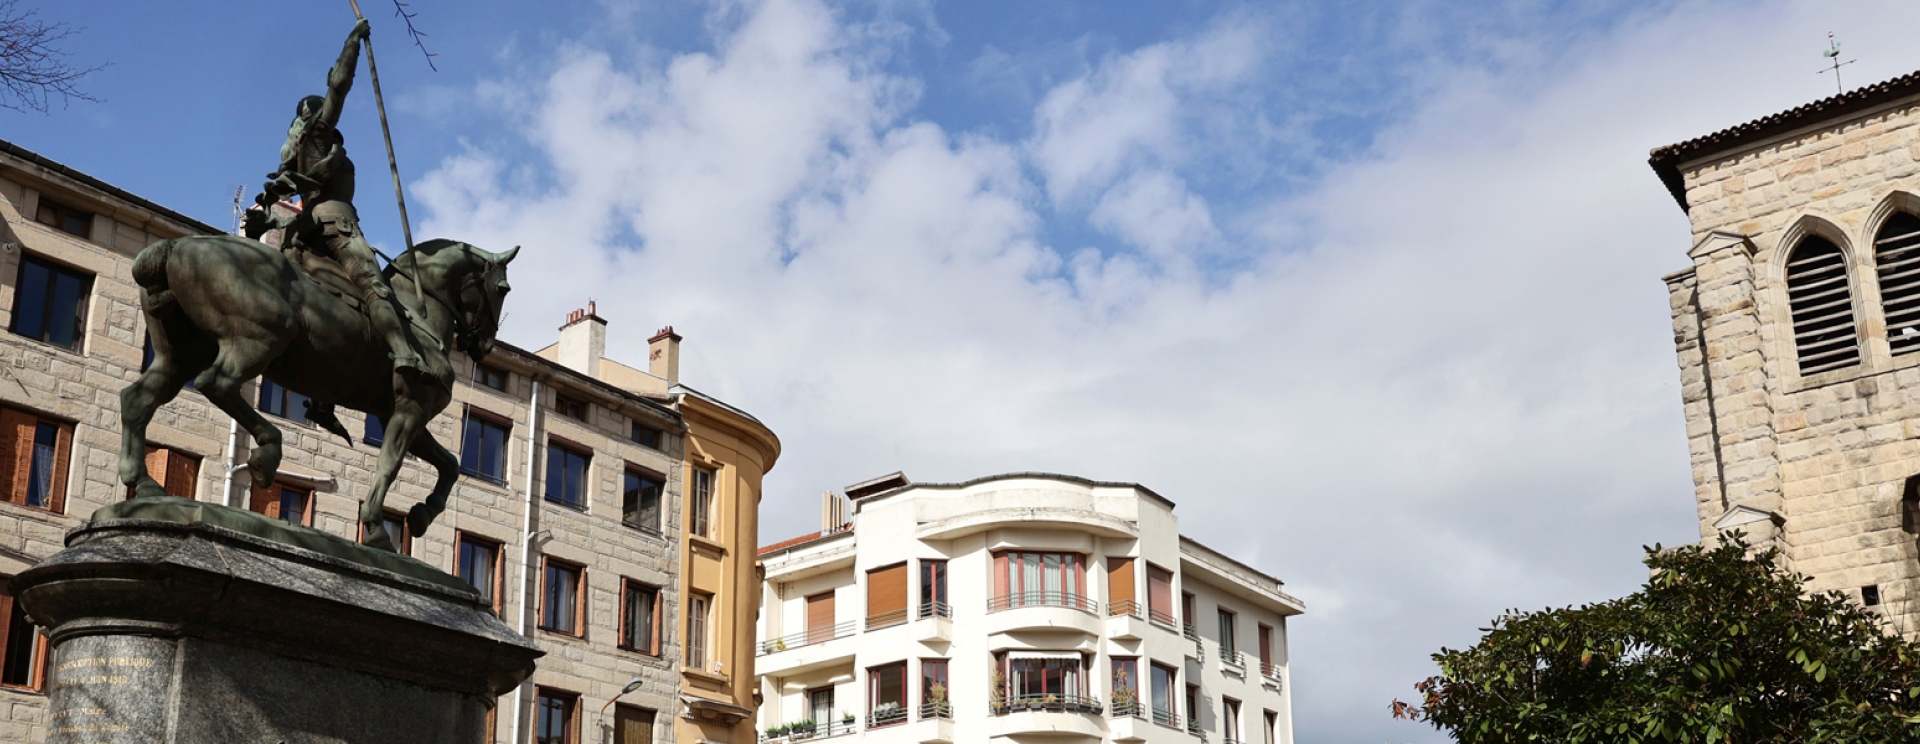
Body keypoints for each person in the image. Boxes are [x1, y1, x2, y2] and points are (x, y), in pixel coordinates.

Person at [246, 18, 422, 377]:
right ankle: (404, 352)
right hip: (333, 223)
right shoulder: (318, 138)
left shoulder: (297, 155)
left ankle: (327, 381)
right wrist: (353, 42)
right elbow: (339, 87)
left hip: (302, 232)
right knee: (374, 286)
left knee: (330, 297)